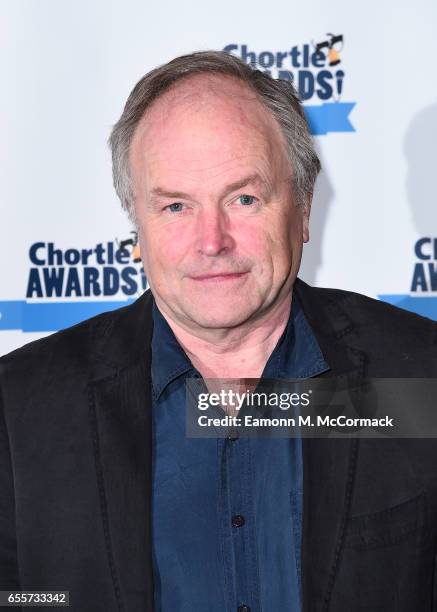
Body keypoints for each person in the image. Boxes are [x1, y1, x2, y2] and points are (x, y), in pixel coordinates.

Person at [1, 50, 436, 612]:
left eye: (244, 199)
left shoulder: (421, 375)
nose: (212, 241)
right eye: (176, 206)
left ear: (303, 210)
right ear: (138, 222)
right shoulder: (22, 406)